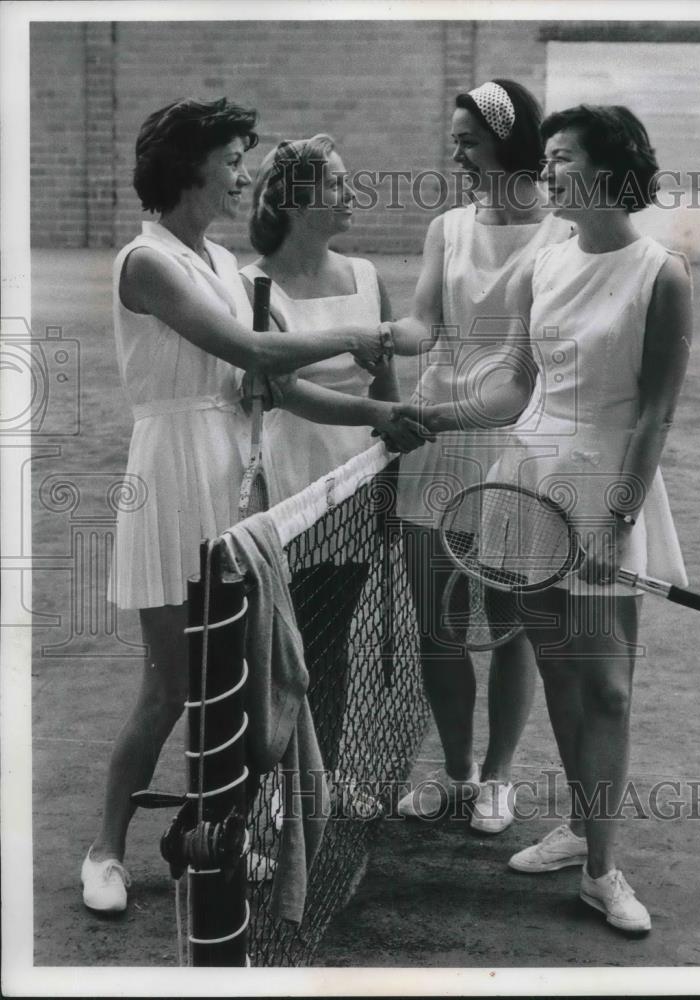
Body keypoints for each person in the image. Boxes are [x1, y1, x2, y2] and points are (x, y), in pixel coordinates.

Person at [82, 98, 392, 913]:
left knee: (244, 679)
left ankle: (222, 828)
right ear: (191, 166)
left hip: (239, 487)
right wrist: (363, 339)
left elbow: (275, 384)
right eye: (232, 160)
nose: (244, 175)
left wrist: (378, 414)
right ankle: (104, 851)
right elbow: (250, 350)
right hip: (170, 475)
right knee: (171, 687)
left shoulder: (220, 262)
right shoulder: (145, 263)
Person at [404, 104, 692, 932]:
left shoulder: (662, 273)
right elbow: (515, 390)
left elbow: (655, 417)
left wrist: (617, 524)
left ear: (605, 170)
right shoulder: (545, 266)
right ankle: (578, 830)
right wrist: (434, 416)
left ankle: (604, 870)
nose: (547, 168)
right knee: (564, 676)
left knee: (605, 688)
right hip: (527, 486)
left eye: (561, 158)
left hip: (608, 492)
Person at [382, 80, 573, 834]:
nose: (454, 152)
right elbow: (422, 323)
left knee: (512, 619)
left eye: (467, 139)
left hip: (514, 438)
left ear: (506, 140)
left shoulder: (561, 235)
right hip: (434, 439)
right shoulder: (447, 228)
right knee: (439, 622)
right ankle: (457, 773)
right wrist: (363, 332)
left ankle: (498, 780)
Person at [238, 135, 427, 791]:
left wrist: (388, 471)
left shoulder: (368, 276)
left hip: (355, 479)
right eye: (337, 184)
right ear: (296, 201)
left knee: (329, 643)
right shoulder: (251, 286)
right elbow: (284, 389)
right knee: (274, 656)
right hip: (286, 483)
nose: (352, 195)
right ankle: (266, 807)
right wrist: (381, 420)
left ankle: (321, 784)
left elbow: (384, 382)